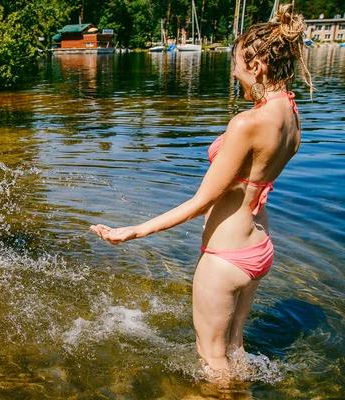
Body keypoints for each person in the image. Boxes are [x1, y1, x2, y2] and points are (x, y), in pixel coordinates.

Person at [90, 4, 312, 382]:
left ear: (256, 66)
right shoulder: (290, 113)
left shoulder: (248, 122)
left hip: (226, 256)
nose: (233, 72)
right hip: (259, 245)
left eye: (237, 64)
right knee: (235, 347)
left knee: (211, 359)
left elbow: (200, 202)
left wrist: (133, 231)